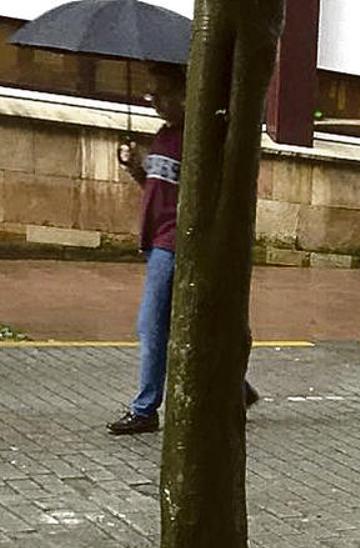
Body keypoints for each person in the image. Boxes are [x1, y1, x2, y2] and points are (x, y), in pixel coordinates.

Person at [108, 65, 258, 435]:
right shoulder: (164, 134)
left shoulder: (198, 140)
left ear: (185, 96)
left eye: (161, 95)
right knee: (191, 326)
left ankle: (145, 409)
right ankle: (238, 389)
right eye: (150, 96)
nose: (155, 103)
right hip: (158, 239)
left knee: (151, 327)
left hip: (174, 244)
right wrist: (135, 169)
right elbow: (158, 187)